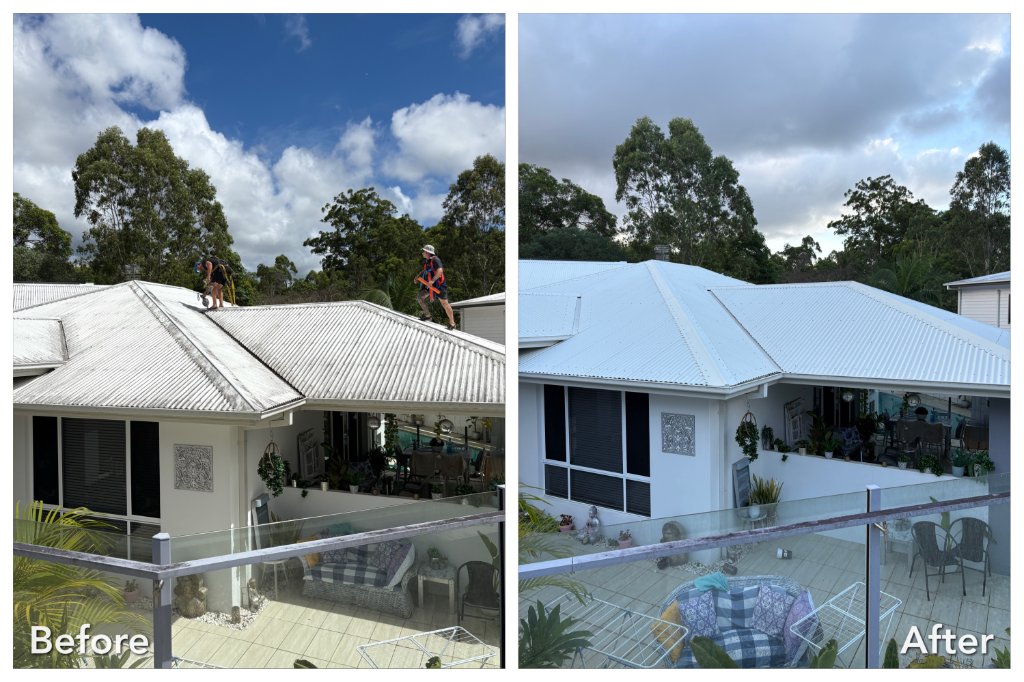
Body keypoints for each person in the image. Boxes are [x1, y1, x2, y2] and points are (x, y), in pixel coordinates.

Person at [416, 244, 456, 329]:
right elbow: (424, 271)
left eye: (424, 251)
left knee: (444, 303)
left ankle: (452, 323)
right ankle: (428, 316)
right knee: (420, 297)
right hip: (430, 287)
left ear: (428, 252)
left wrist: (433, 280)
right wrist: (417, 277)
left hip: (439, 286)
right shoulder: (427, 262)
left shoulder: (435, 260)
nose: (423, 253)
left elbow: (440, 270)